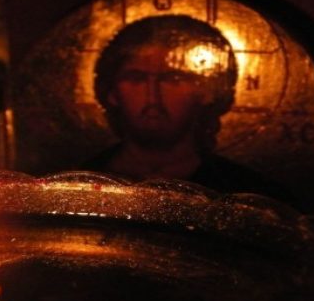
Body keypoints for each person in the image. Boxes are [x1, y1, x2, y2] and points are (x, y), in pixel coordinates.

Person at [86, 15, 289, 200]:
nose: (152, 95)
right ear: (112, 93)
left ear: (207, 91)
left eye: (172, 79)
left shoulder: (246, 195)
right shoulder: (79, 186)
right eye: (136, 79)